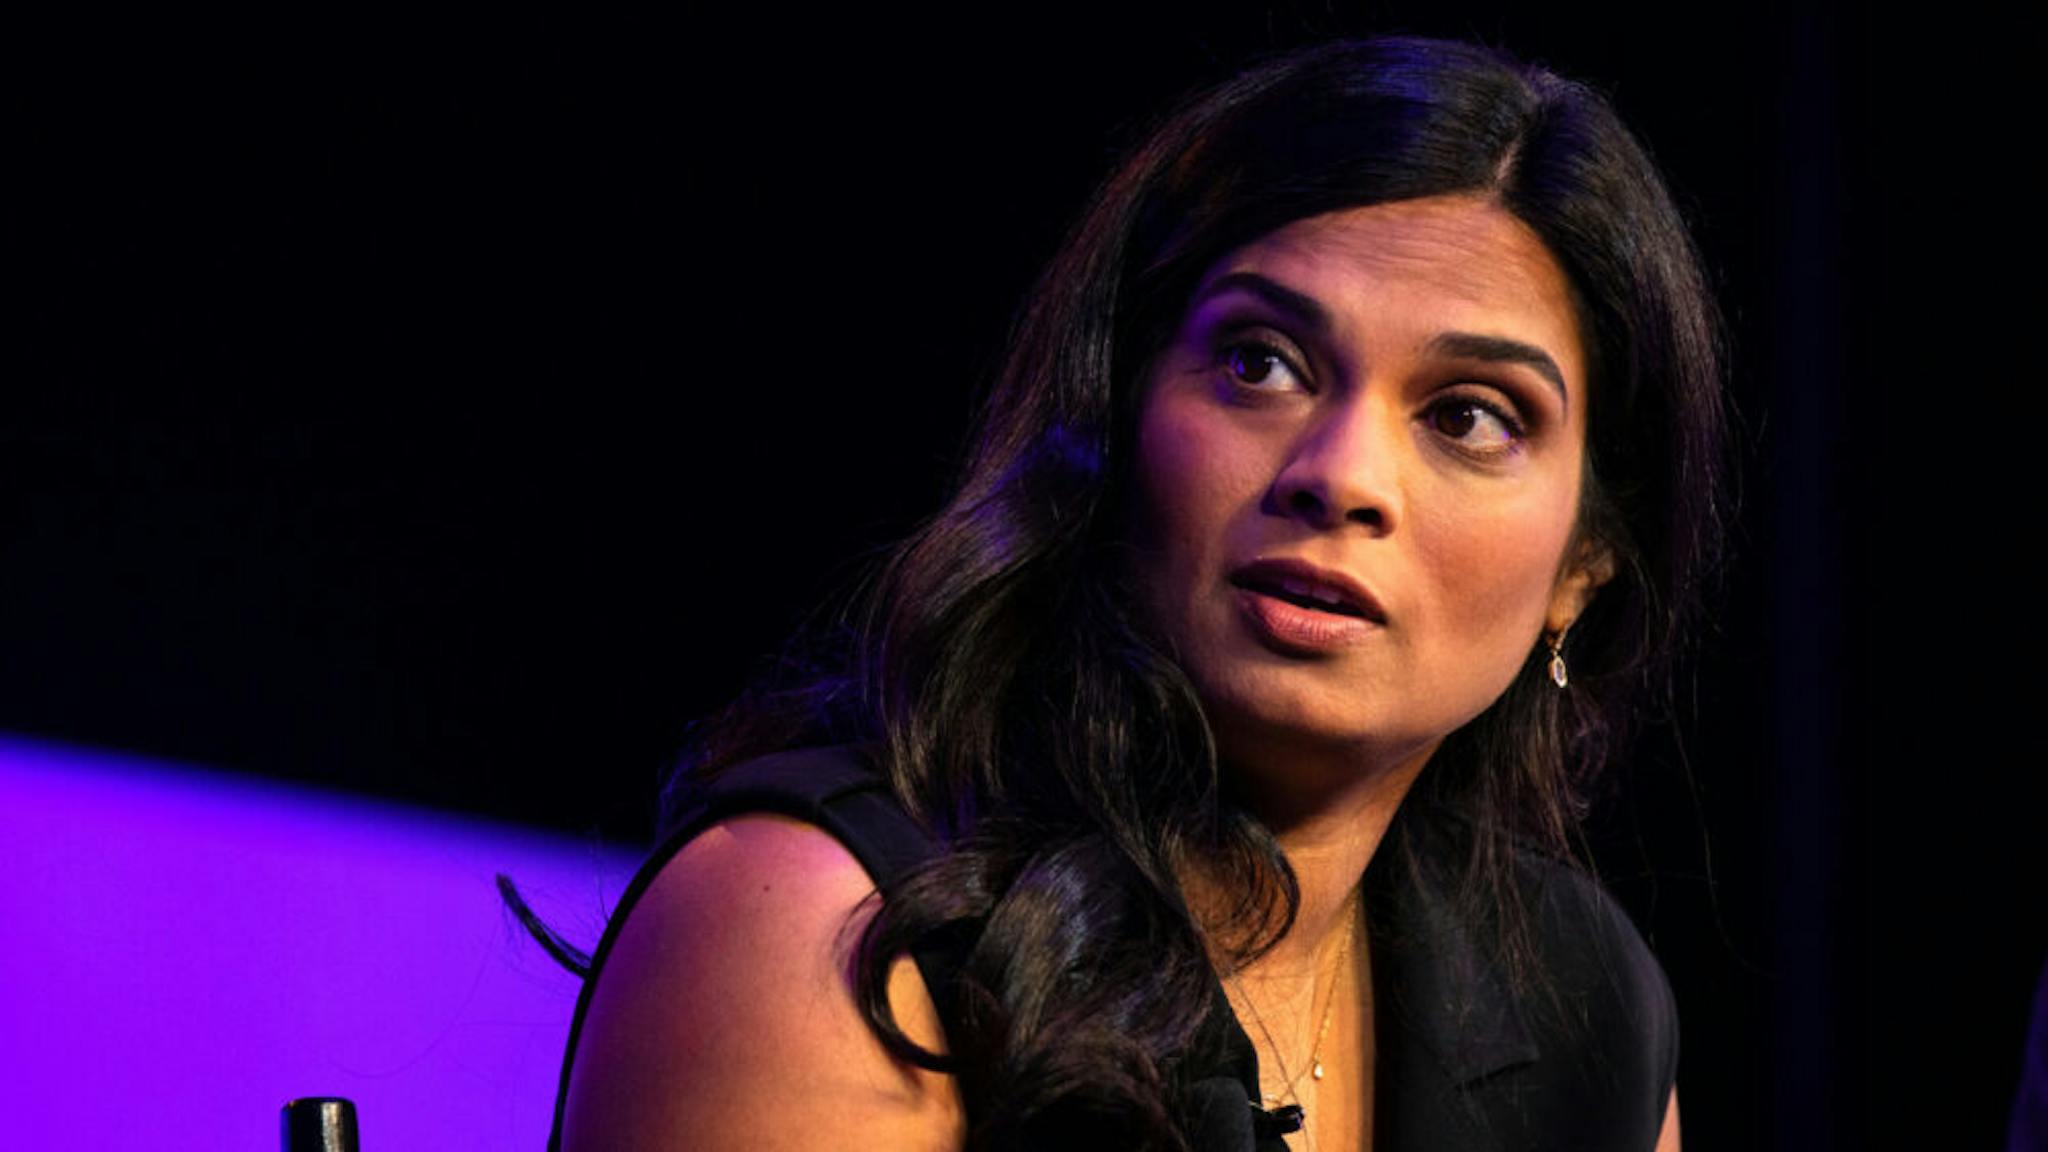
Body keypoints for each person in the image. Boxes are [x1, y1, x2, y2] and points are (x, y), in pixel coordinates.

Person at [536, 35, 1724, 1152]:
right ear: (1113, 415)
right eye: (1259, 363)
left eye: (1468, 417)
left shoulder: (1583, 1006)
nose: (1340, 478)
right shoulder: (829, 924)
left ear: (1581, 567)